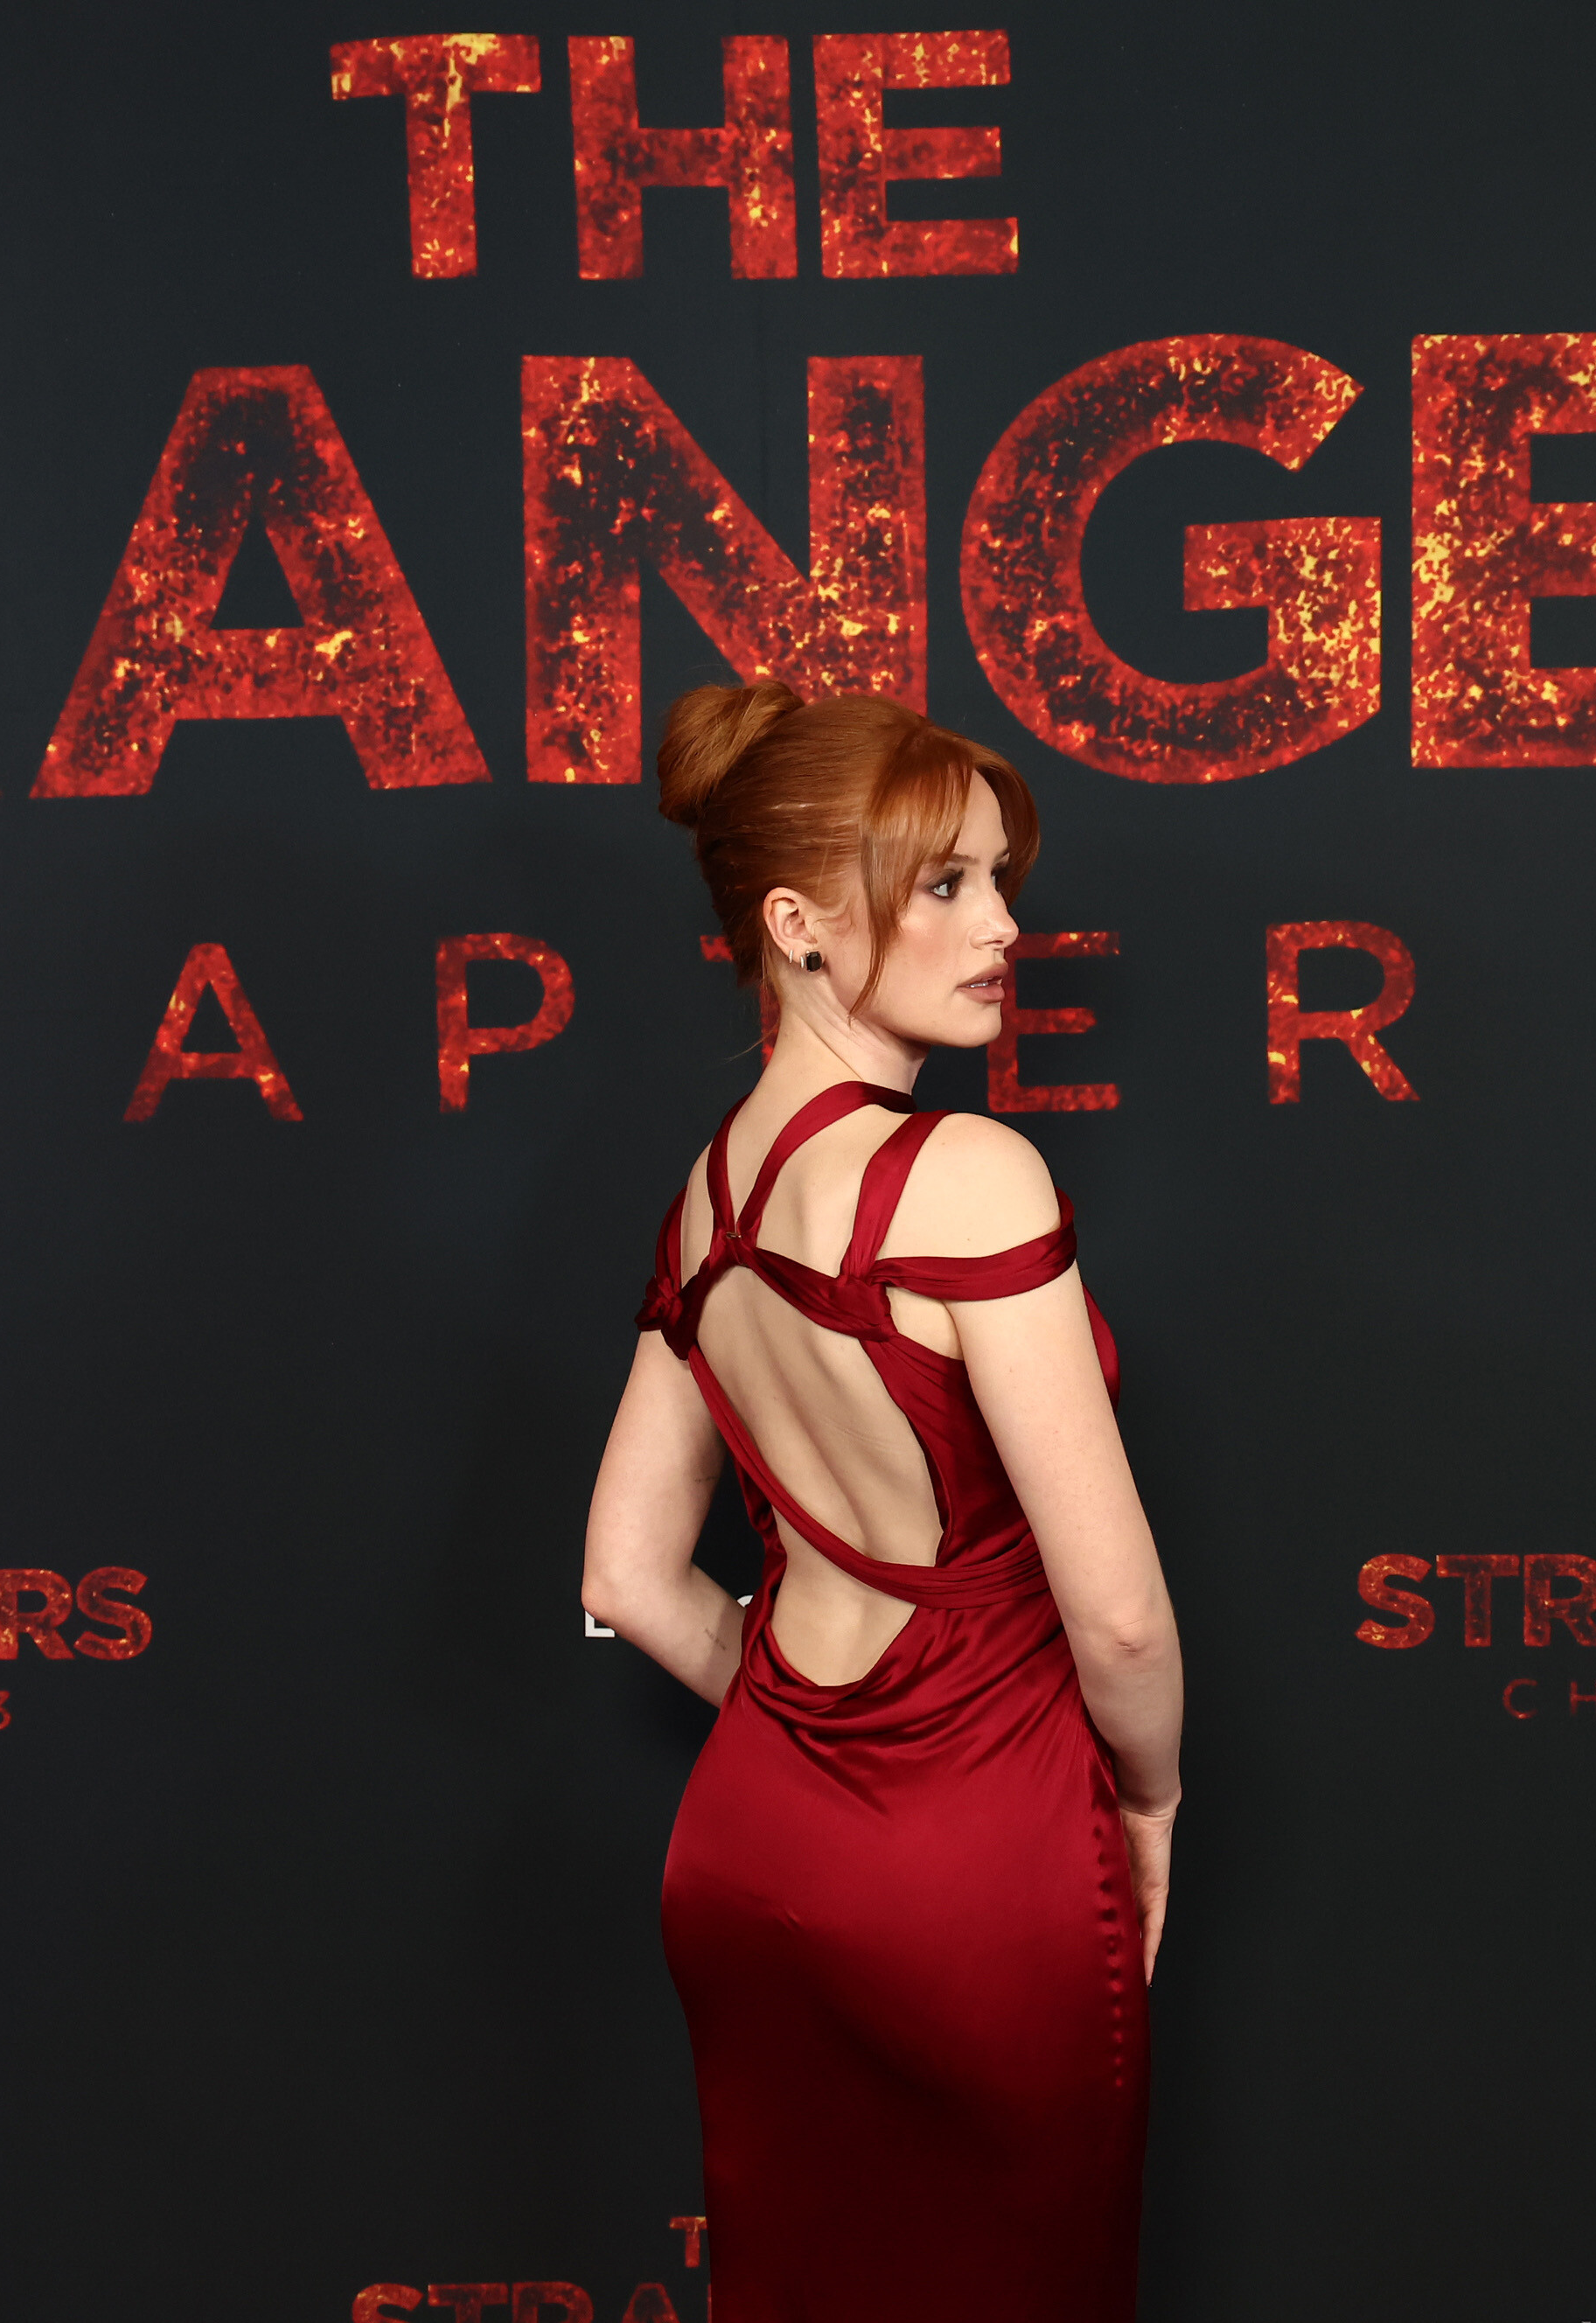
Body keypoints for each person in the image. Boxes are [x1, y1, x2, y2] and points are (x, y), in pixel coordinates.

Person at [582, 681, 1184, 2322]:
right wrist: (1146, 1805)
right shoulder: (972, 1175)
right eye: (946, 885)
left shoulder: (707, 1199)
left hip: (750, 1855)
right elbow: (1122, 1621)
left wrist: (808, 1745)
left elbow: (627, 1575)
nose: (1003, 927)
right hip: (983, 1865)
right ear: (797, 925)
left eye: (1000, 881)